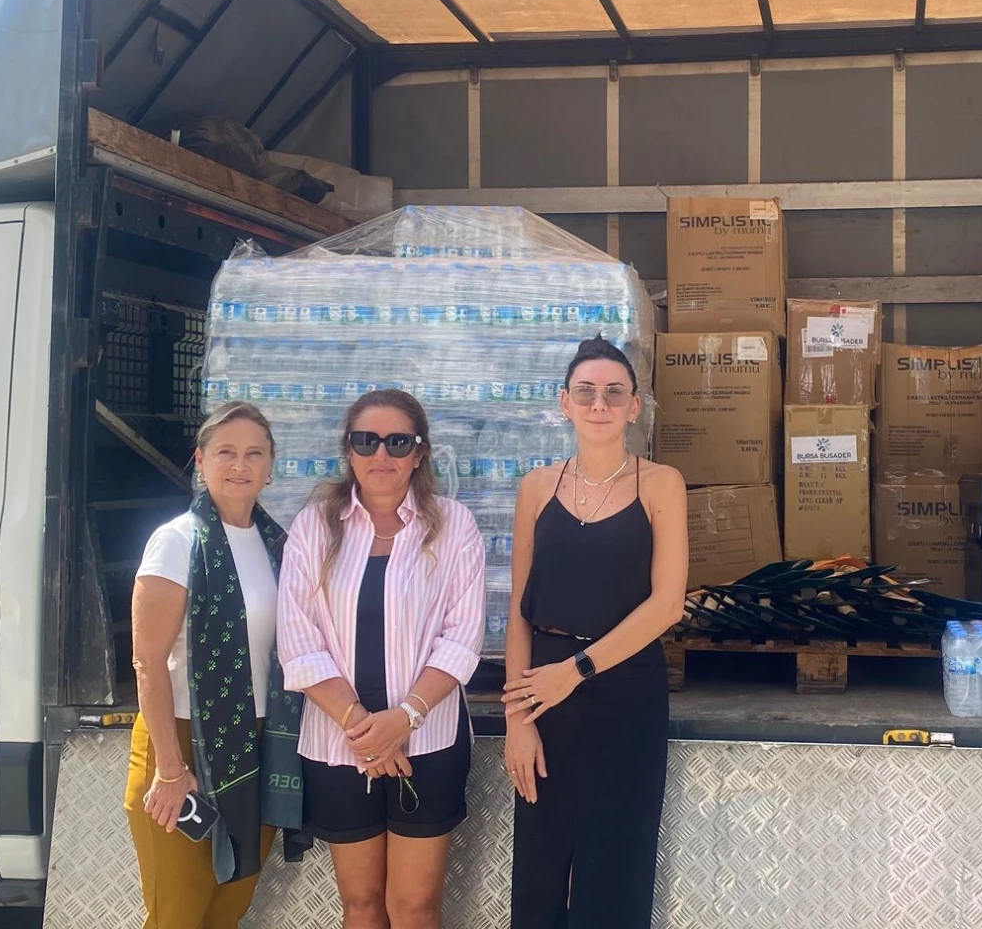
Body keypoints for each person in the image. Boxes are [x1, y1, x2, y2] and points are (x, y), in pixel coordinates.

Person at [278, 388, 486, 929]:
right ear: (348, 450)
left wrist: (403, 719)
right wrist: (364, 730)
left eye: (398, 442)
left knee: (414, 907)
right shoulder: (314, 527)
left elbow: (462, 638)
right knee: (362, 905)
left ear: (420, 453)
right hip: (338, 745)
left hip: (428, 741)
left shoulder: (454, 526)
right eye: (366, 440)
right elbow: (298, 642)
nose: (381, 454)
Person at [504, 336, 689, 929]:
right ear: (565, 403)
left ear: (634, 406)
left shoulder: (660, 484)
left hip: (626, 688)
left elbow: (667, 604)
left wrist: (577, 671)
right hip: (543, 691)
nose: (599, 404)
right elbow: (520, 612)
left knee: (616, 862)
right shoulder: (537, 488)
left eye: (614, 393)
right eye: (585, 392)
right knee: (541, 864)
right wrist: (517, 721)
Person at [126, 402, 305, 929]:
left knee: (227, 911)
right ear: (200, 461)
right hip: (183, 744)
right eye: (226, 452)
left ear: (271, 465)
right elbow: (147, 661)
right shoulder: (176, 541)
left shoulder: (279, 546)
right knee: (177, 916)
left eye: (254, 453)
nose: (240, 465)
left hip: (257, 745)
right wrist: (169, 769)